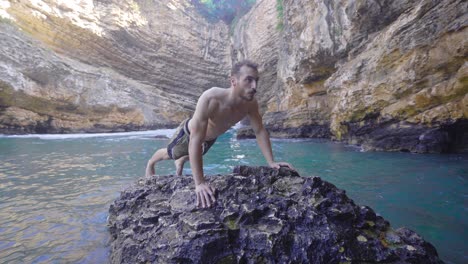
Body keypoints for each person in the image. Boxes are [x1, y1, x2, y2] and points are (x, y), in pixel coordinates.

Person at [145, 60, 294, 208]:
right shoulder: (211, 98)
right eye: (248, 80)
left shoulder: (251, 104)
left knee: (196, 154)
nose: (254, 86)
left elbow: (260, 130)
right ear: (233, 81)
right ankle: (151, 162)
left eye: (256, 81)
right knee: (171, 154)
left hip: (210, 138)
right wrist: (200, 183)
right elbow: (195, 140)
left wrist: (271, 162)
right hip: (189, 134)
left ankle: (182, 159)